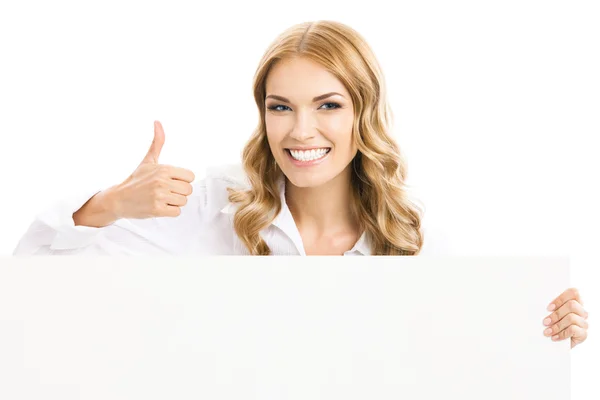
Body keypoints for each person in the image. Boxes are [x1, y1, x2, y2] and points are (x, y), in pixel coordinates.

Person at [12, 21, 588, 348]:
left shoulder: (413, 237)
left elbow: (477, 351)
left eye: (328, 105)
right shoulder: (210, 207)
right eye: (281, 106)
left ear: (364, 114)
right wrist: (107, 207)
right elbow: (29, 284)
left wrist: (558, 326)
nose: (301, 130)